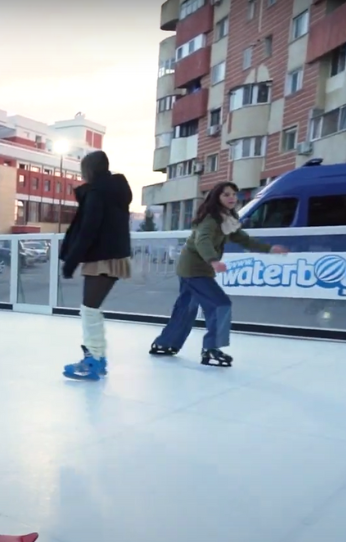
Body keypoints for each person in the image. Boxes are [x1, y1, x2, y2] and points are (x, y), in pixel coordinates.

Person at [149, 181, 288, 367]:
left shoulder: (227, 219)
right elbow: (202, 240)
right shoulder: (210, 219)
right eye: (226, 194)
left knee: (186, 308)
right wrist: (213, 260)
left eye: (234, 194)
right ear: (217, 198)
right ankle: (211, 349)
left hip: (194, 268)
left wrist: (269, 249)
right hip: (194, 270)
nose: (232, 198)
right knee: (220, 304)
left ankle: (165, 344)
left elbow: (243, 239)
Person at [58, 150, 132, 380]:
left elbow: (88, 230)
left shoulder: (97, 193)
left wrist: (71, 262)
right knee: (92, 309)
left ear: (88, 170)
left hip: (101, 258)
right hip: (115, 255)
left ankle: (93, 361)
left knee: (89, 310)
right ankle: (97, 358)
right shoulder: (117, 191)